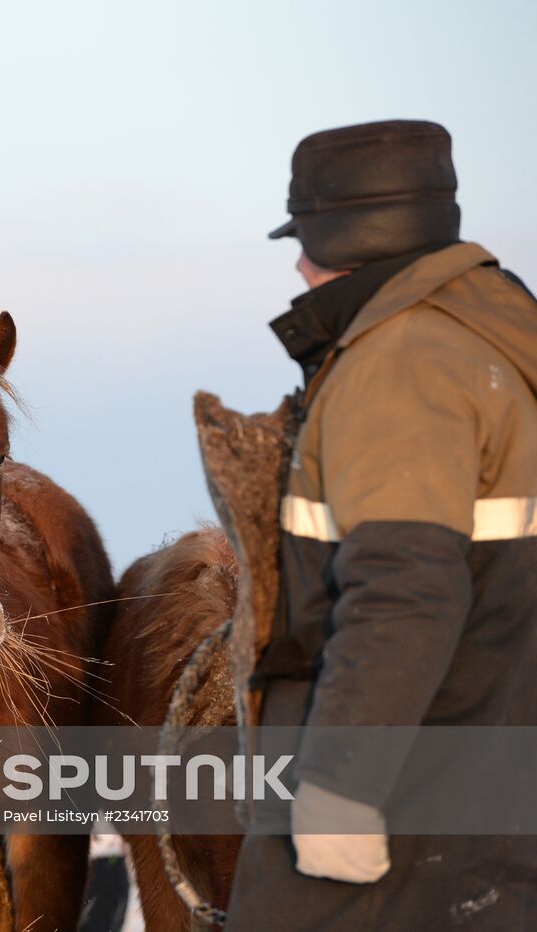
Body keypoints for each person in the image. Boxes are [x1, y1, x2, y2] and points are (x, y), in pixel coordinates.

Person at [226, 120, 537, 928]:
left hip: (405, 805)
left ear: (346, 235)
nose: (296, 264)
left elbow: (404, 590)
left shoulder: (401, 362)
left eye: (304, 238)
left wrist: (341, 787)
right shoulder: (493, 337)